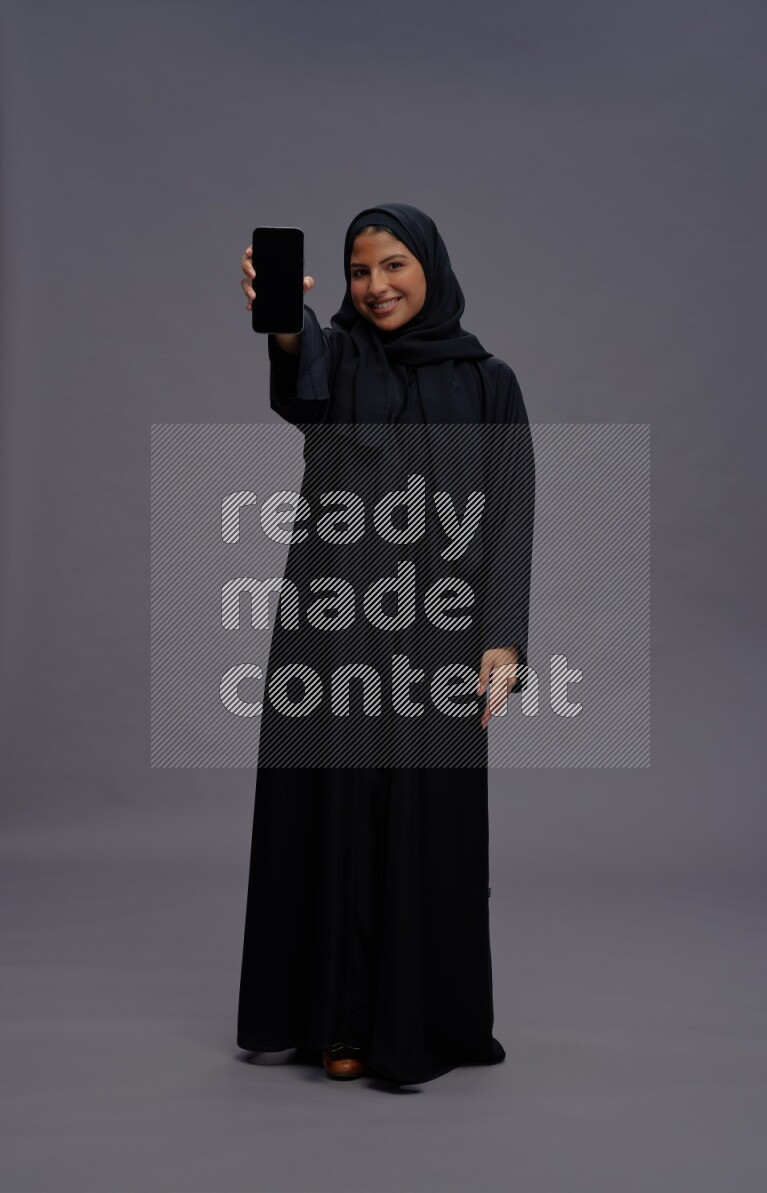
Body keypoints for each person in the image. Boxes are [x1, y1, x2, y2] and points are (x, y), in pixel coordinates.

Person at [236, 202, 535, 1085]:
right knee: (333, 807)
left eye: (394, 265)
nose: (376, 287)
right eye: (361, 271)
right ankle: (337, 1021)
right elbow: (298, 360)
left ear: (431, 267)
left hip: (441, 635)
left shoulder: (489, 381)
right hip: (333, 629)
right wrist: (284, 320)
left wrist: (505, 640)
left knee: (426, 819)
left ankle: (420, 1023)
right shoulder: (339, 358)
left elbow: (512, 508)